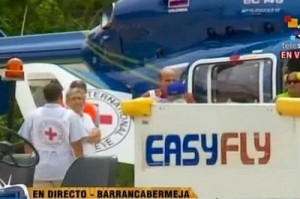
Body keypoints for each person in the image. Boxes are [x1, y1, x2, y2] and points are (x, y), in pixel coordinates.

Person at [18, 82, 88, 187]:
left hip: (39, 171)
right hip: (64, 171)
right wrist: (82, 168)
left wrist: (30, 163)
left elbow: (27, 142)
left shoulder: (33, 115)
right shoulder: (70, 116)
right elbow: (76, 144)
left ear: (44, 97)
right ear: (61, 96)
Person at [66, 88, 101, 155]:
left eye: (79, 98)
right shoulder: (65, 117)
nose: (77, 101)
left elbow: (97, 139)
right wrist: (87, 139)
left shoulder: (87, 117)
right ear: (67, 102)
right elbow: (70, 139)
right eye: (73, 99)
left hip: (90, 158)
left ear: (84, 101)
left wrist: (97, 134)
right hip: (73, 160)